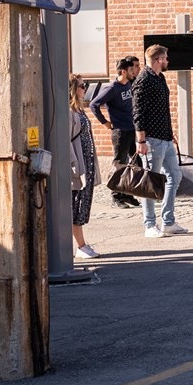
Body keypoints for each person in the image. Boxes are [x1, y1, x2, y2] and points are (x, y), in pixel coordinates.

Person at [132, 43, 187, 237]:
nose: (167, 62)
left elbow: (163, 109)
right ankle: (149, 224)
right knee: (151, 183)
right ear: (158, 60)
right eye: (165, 58)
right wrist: (141, 140)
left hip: (164, 137)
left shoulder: (160, 78)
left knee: (175, 175)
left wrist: (170, 131)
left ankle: (168, 221)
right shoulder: (143, 79)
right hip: (151, 140)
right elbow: (137, 111)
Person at [90, 56, 141, 208]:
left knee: (135, 163)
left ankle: (127, 193)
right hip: (120, 131)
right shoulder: (113, 88)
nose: (134, 72)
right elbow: (94, 104)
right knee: (120, 163)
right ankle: (116, 195)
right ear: (124, 72)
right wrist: (105, 122)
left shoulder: (129, 84)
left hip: (131, 129)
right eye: (132, 69)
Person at [68, 74, 100, 259]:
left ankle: (81, 244)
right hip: (77, 165)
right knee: (75, 205)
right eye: (81, 86)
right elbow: (66, 141)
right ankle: (80, 245)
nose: (85, 88)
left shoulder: (79, 110)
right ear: (72, 89)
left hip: (85, 162)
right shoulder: (69, 112)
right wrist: (74, 165)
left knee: (81, 204)